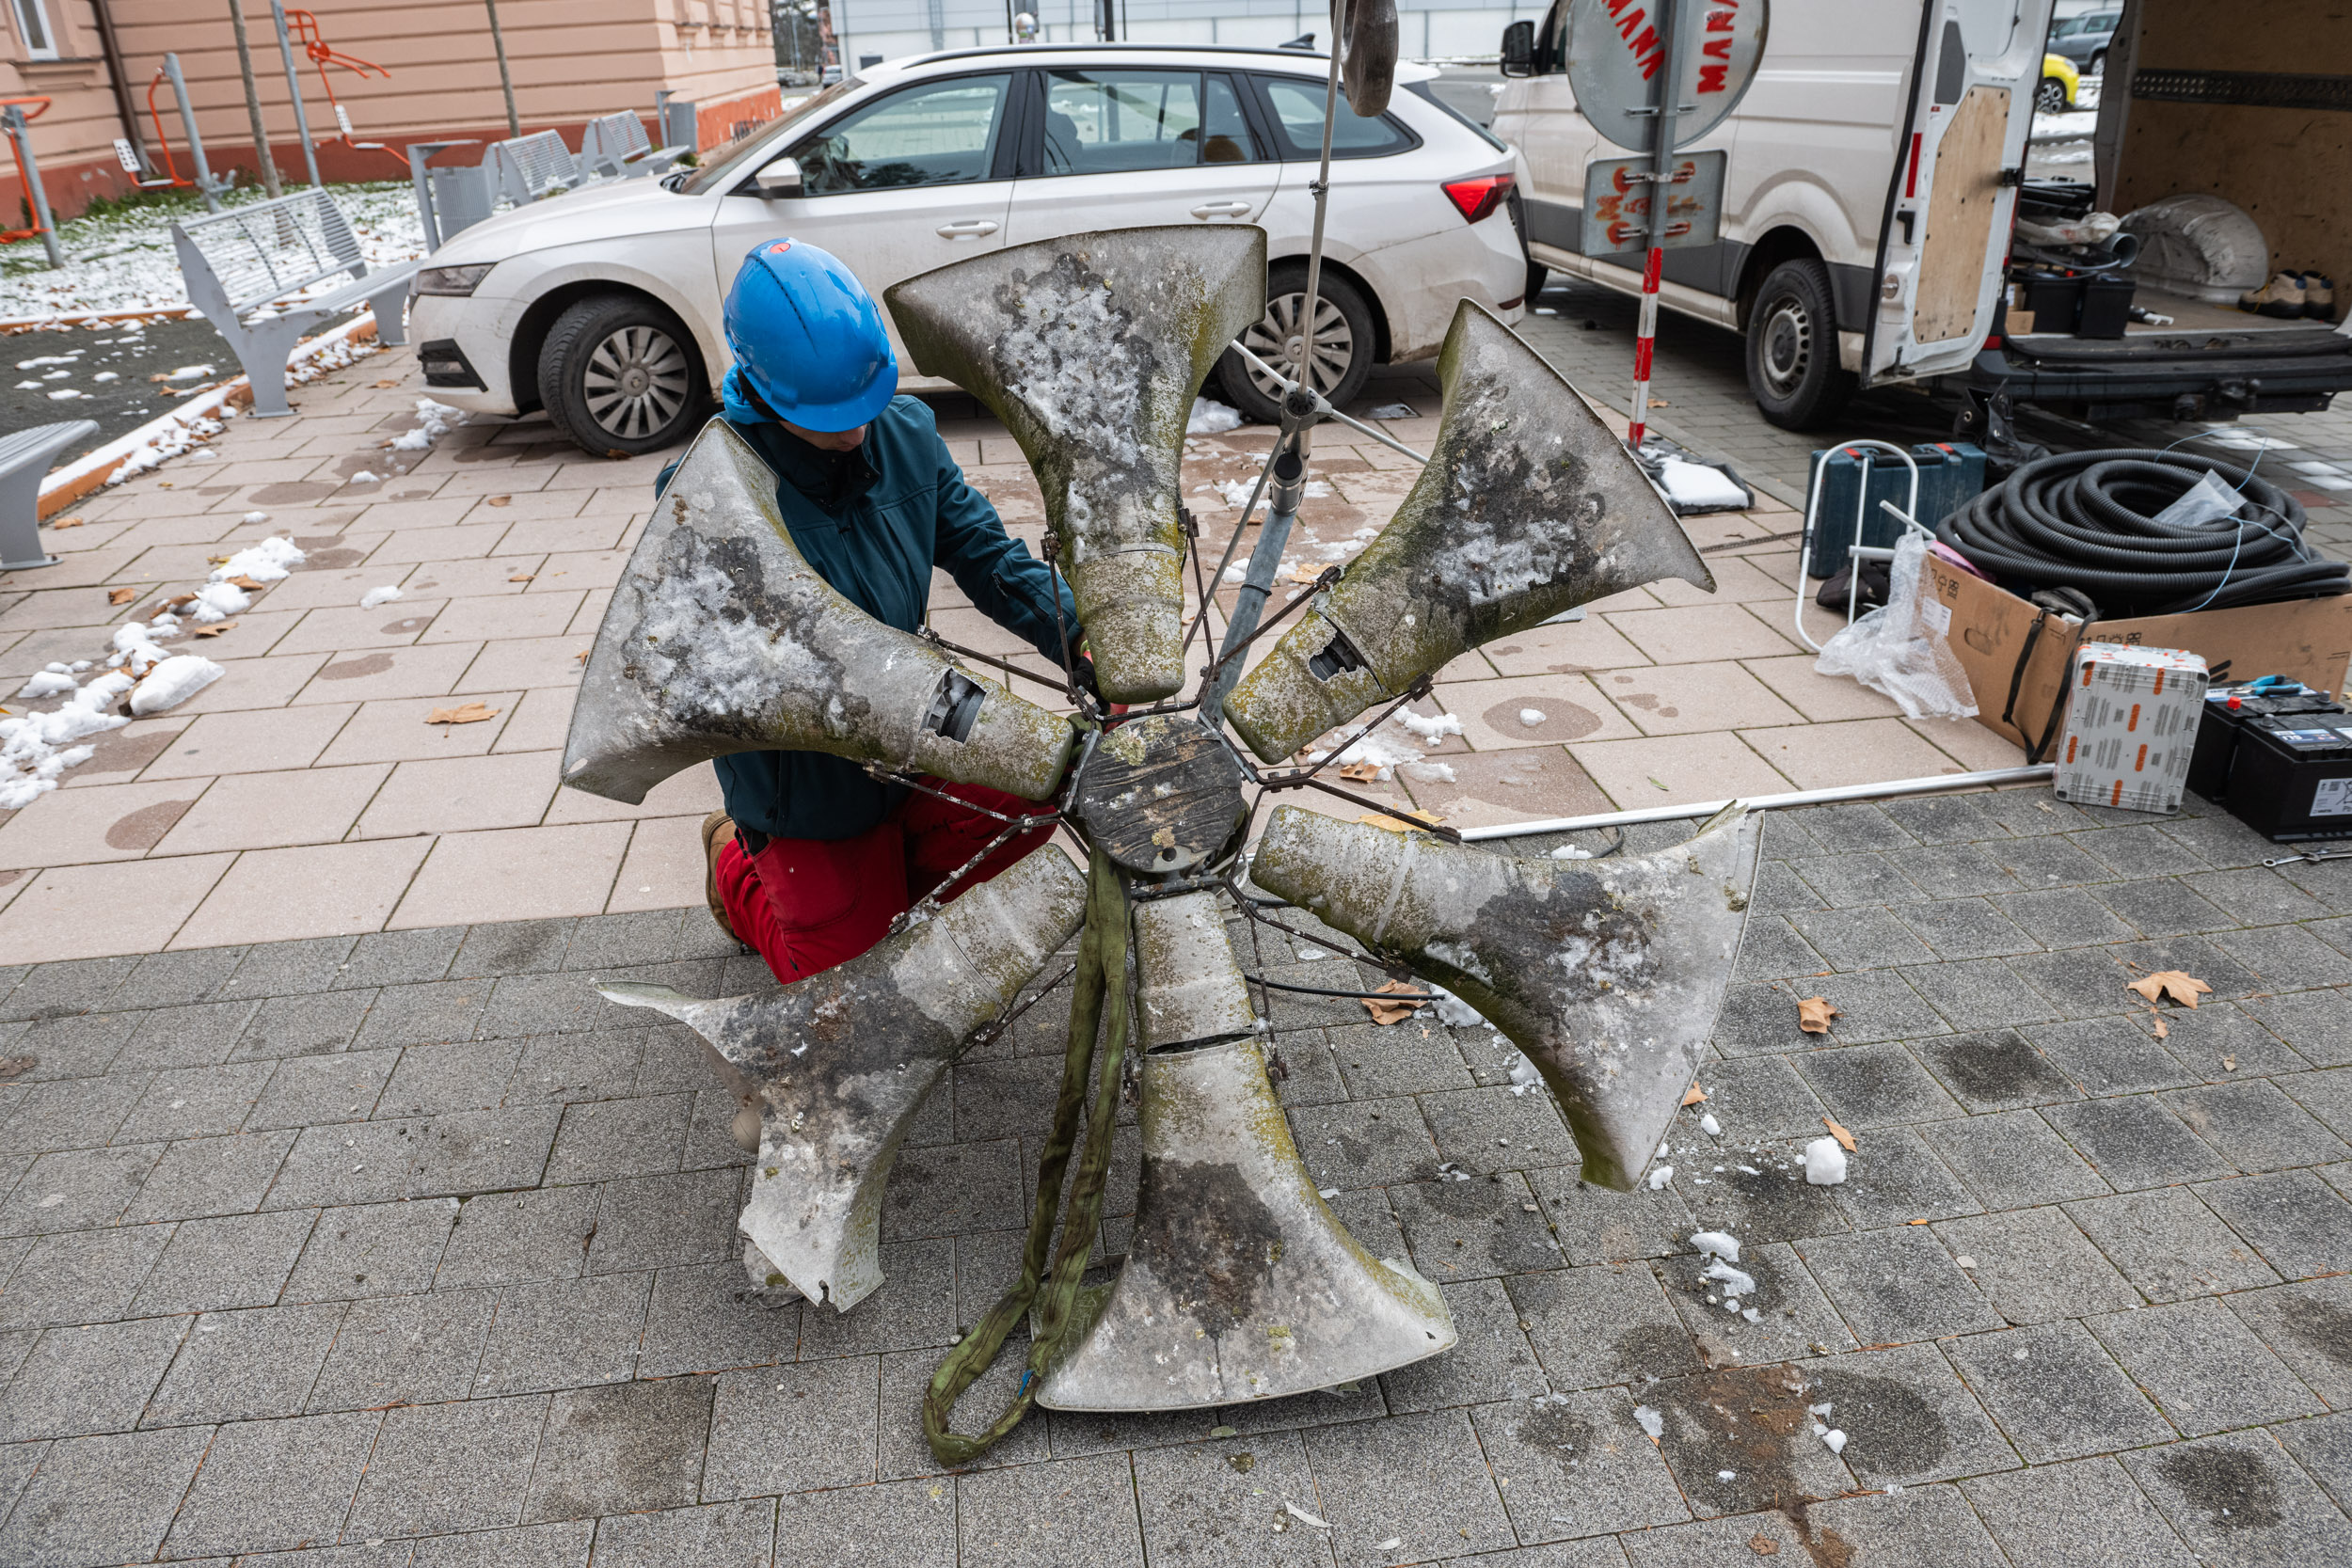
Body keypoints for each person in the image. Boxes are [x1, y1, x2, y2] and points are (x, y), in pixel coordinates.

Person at [668, 239, 1085, 986]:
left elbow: (989, 559)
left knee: (1046, 784)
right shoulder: (708, 491)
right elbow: (731, 671)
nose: (858, 429)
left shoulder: (907, 434)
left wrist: (1083, 637)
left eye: (867, 402)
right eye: (831, 416)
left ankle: (885, 888)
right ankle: (737, 868)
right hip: (809, 783)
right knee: (850, 989)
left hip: (915, 731)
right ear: (763, 389)